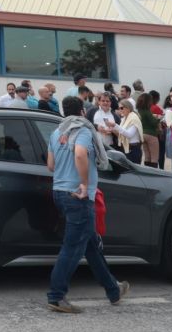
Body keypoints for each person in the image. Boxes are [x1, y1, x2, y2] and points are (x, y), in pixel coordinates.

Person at [45, 96, 124, 313]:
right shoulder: (83, 130)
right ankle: (56, 295)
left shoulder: (56, 132)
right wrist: (84, 183)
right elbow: (80, 154)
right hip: (78, 196)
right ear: (82, 111)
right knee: (72, 248)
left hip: (59, 192)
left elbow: (50, 165)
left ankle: (113, 289)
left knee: (90, 245)